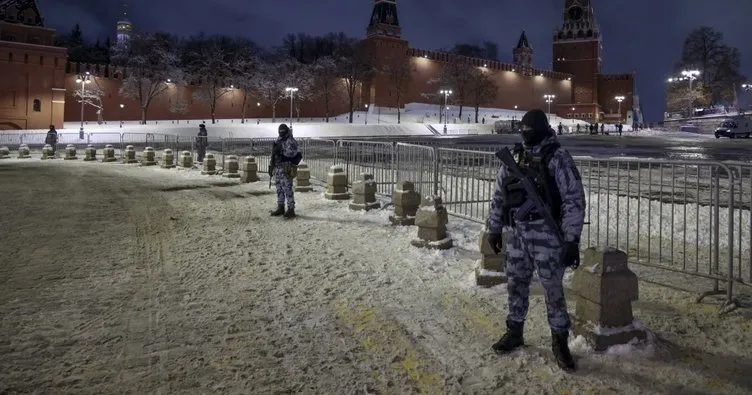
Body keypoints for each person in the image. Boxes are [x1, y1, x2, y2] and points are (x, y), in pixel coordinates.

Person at [486, 109, 586, 372]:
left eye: (531, 128)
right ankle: (515, 331)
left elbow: (574, 201)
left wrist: (571, 240)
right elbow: (499, 195)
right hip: (518, 234)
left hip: (548, 236)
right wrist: (494, 229)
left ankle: (560, 341)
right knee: (515, 284)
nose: (526, 133)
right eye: (524, 128)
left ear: (542, 128)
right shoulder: (515, 157)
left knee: (553, 291)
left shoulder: (558, 157)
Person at [270, 124, 302, 218]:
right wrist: (271, 166)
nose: (281, 133)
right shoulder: (279, 139)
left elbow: (293, 153)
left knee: (287, 189)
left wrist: (281, 152)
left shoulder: (290, 140)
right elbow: (274, 153)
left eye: (282, 131)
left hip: (286, 167)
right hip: (278, 167)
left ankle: (291, 209)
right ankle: (281, 207)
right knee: (279, 189)